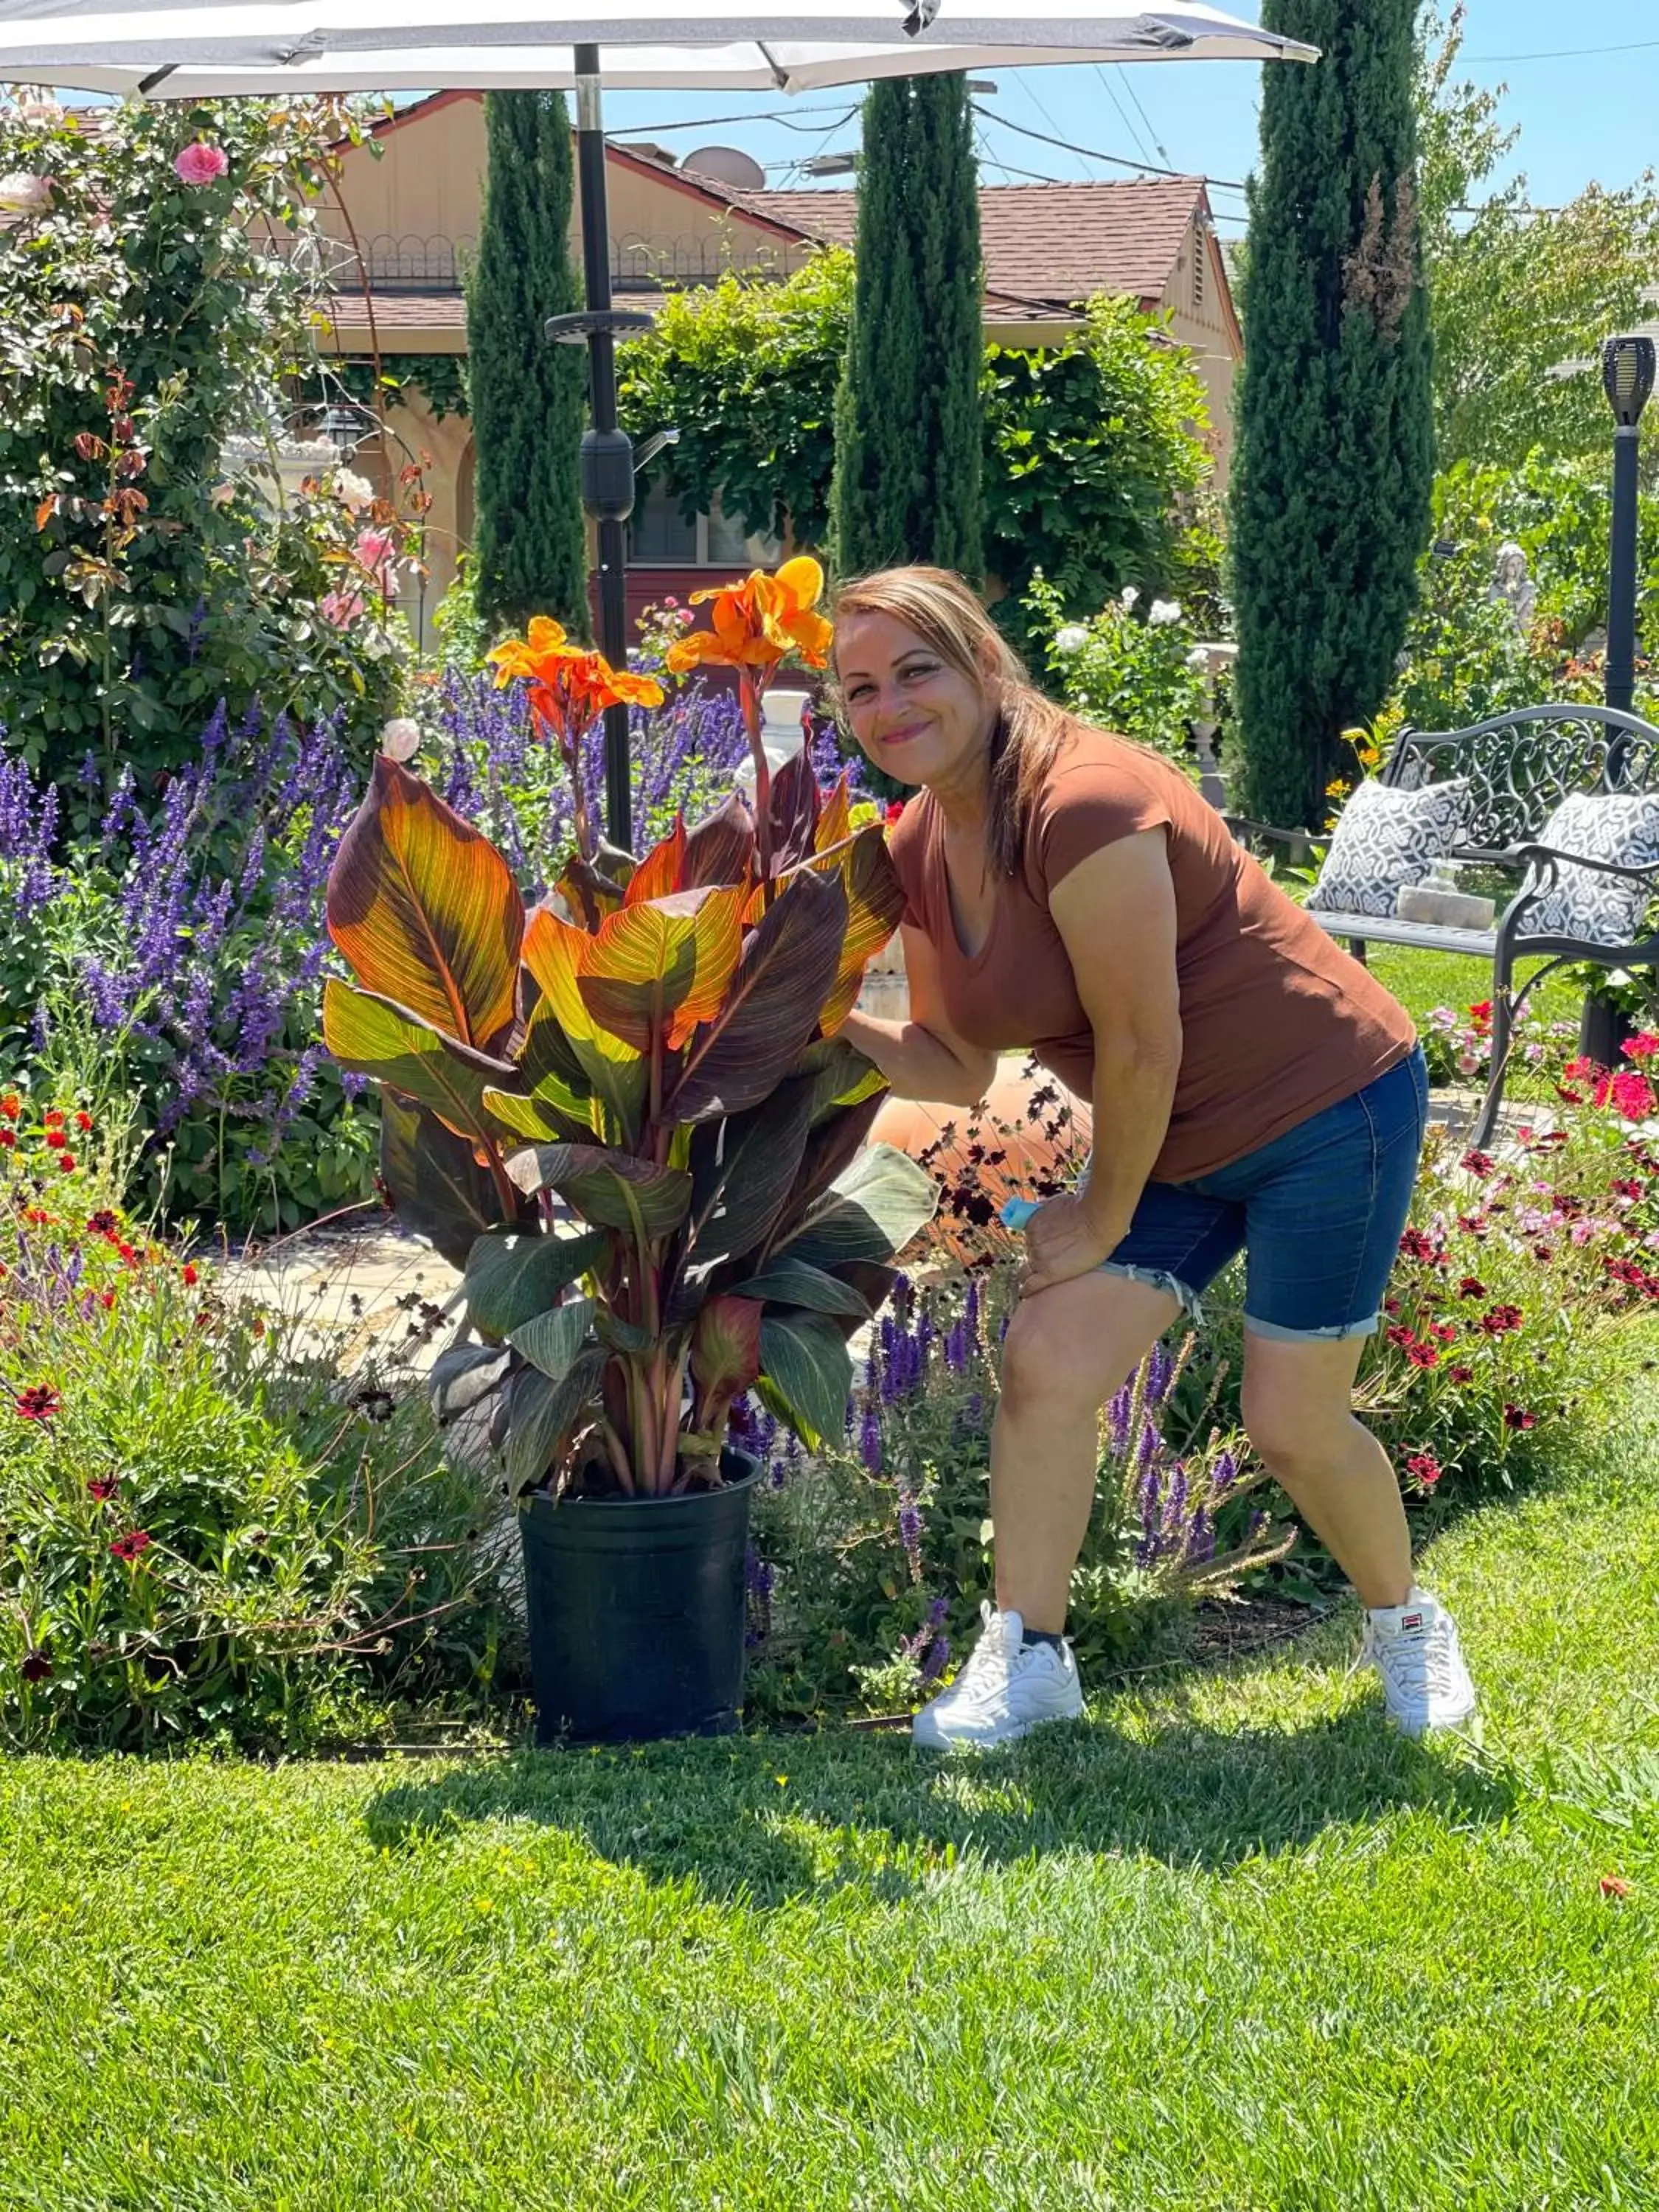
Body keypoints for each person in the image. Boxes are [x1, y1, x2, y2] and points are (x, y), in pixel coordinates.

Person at [832, 566, 1478, 1753]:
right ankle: (1029, 1661)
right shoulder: (916, 843)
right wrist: (807, 1019)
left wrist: (1099, 1210)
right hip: (1174, 1133)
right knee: (1045, 1365)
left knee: (1290, 1423)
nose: (889, 706)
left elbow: (1141, 1036)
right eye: (860, 687)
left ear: (982, 663)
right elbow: (949, 1062)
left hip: (1323, 1109)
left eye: (915, 670)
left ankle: (1404, 1622)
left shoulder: (1083, 800)